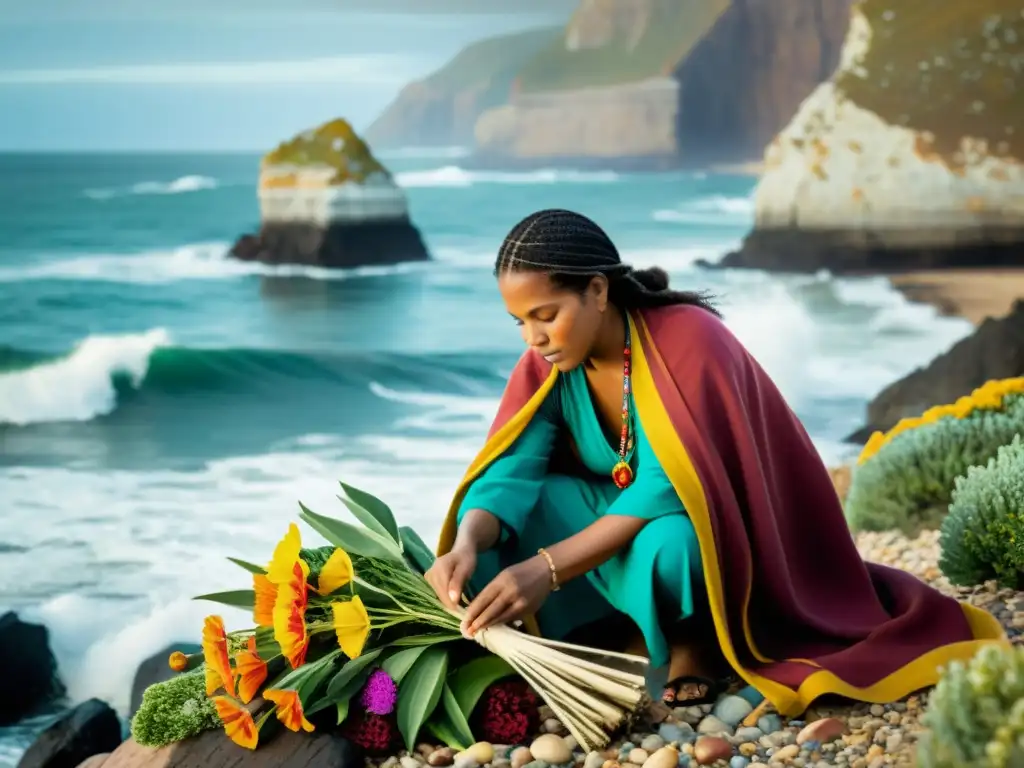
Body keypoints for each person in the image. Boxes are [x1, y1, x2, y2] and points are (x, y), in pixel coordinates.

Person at [426, 208, 1006, 714]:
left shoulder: (685, 340)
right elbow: (510, 470)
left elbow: (665, 485)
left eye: (545, 314)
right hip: (612, 519)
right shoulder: (549, 366)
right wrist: (467, 544)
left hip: (709, 531)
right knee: (502, 531)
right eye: (520, 321)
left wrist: (546, 569)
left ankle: (691, 643)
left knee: (676, 540)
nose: (533, 337)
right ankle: (607, 631)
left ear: (598, 291)